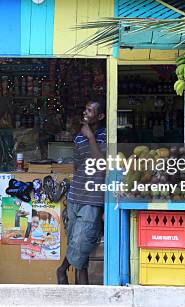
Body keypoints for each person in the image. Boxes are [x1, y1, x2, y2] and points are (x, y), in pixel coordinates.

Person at [57, 99, 106, 285]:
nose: (85, 113)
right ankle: (82, 291)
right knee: (75, 242)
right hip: (76, 194)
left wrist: (91, 137)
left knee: (81, 241)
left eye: (90, 111)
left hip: (92, 199)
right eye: (85, 109)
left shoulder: (104, 136)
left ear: (100, 116)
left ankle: (61, 270)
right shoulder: (78, 138)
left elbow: (102, 165)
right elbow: (78, 166)